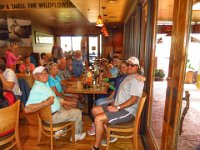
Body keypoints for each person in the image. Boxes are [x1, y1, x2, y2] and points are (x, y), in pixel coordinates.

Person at [91, 57, 144, 150]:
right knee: (95, 109)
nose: (129, 67)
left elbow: (134, 99)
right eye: (128, 64)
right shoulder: (127, 76)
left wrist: (118, 107)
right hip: (117, 105)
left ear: (137, 67)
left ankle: (96, 147)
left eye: (133, 65)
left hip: (127, 111)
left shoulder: (136, 79)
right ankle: (109, 135)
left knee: (98, 119)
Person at [25, 66, 86, 141]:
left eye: (45, 73)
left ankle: (60, 130)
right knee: (77, 112)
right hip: (53, 117)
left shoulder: (44, 84)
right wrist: (45, 103)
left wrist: (63, 103)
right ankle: (76, 135)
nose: (44, 75)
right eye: (41, 74)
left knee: (72, 108)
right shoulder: (36, 89)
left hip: (56, 111)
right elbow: (27, 109)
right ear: (35, 76)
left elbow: (53, 97)